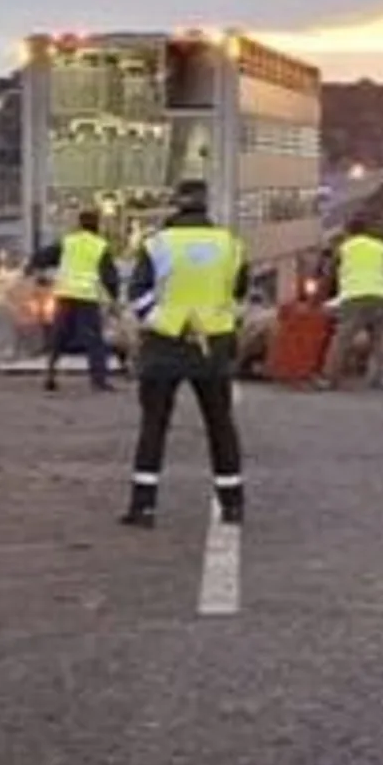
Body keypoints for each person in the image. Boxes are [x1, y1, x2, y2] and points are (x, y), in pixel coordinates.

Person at [122, 179, 249, 528]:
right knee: (220, 425)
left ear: (175, 204)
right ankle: (233, 504)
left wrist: (167, 322)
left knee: (154, 426)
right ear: (207, 205)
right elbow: (238, 294)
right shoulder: (230, 245)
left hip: (165, 346)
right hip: (214, 346)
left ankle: (143, 506)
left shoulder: (158, 244)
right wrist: (218, 323)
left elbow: (138, 294)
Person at [24, 209, 122, 392]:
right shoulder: (99, 245)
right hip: (86, 297)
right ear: (97, 225)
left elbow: (43, 256)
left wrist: (31, 268)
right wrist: (114, 299)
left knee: (59, 337)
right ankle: (98, 381)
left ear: (79, 224)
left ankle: (50, 374)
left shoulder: (68, 242)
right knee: (94, 340)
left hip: (65, 294)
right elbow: (110, 277)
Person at [320, 214, 383, 390]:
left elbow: (329, 276)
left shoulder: (344, 248)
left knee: (342, 339)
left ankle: (330, 379)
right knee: (379, 338)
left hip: (354, 297)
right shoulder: (382, 247)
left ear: (348, 230)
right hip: (379, 296)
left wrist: (318, 300)